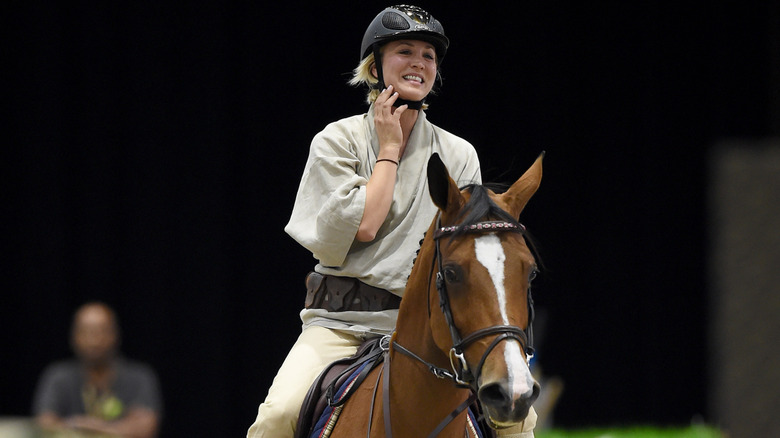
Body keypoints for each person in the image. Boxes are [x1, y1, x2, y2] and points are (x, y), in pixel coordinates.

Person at [247, 5, 536, 437]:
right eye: (405, 51)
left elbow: (476, 253)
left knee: (519, 422)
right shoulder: (337, 140)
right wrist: (388, 148)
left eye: (429, 55)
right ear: (375, 66)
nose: (419, 62)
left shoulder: (459, 155)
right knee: (276, 418)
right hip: (342, 326)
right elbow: (361, 227)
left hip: (432, 333)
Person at [32, 302, 162, 438]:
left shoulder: (139, 376)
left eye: (101, 331)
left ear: (115, 335)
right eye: (86, 332)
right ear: (74, 336)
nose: (94, 340)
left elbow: (145, 429)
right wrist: (117, 429)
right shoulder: (58, 376)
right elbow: (45, 425)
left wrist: (88, 427)